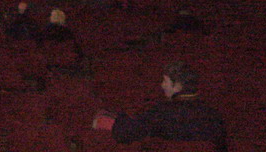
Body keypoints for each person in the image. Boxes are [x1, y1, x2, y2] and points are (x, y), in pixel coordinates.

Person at [92, 62, 227, 152]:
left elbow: (127, 133)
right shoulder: (213, 115)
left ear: (178, 86)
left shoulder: (161, 112)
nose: (162, 85)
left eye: (165, 81)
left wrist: (114, 119)